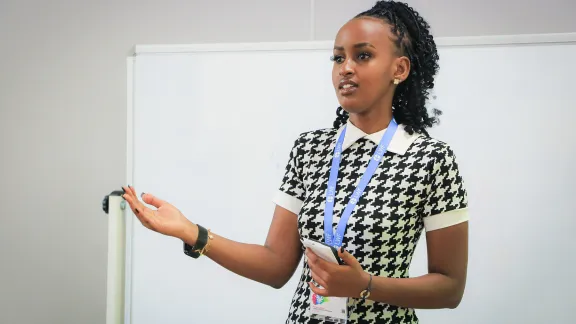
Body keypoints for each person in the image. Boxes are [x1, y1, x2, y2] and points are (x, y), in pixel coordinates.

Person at [121, 1, 469, 323]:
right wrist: (190, 232)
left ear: (400, 68)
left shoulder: (430, 159)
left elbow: (450, 288)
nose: (345, 68)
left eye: (362, 56)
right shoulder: (310, 150)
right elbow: (275, 266)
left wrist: (365, 285)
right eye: (337, 58)